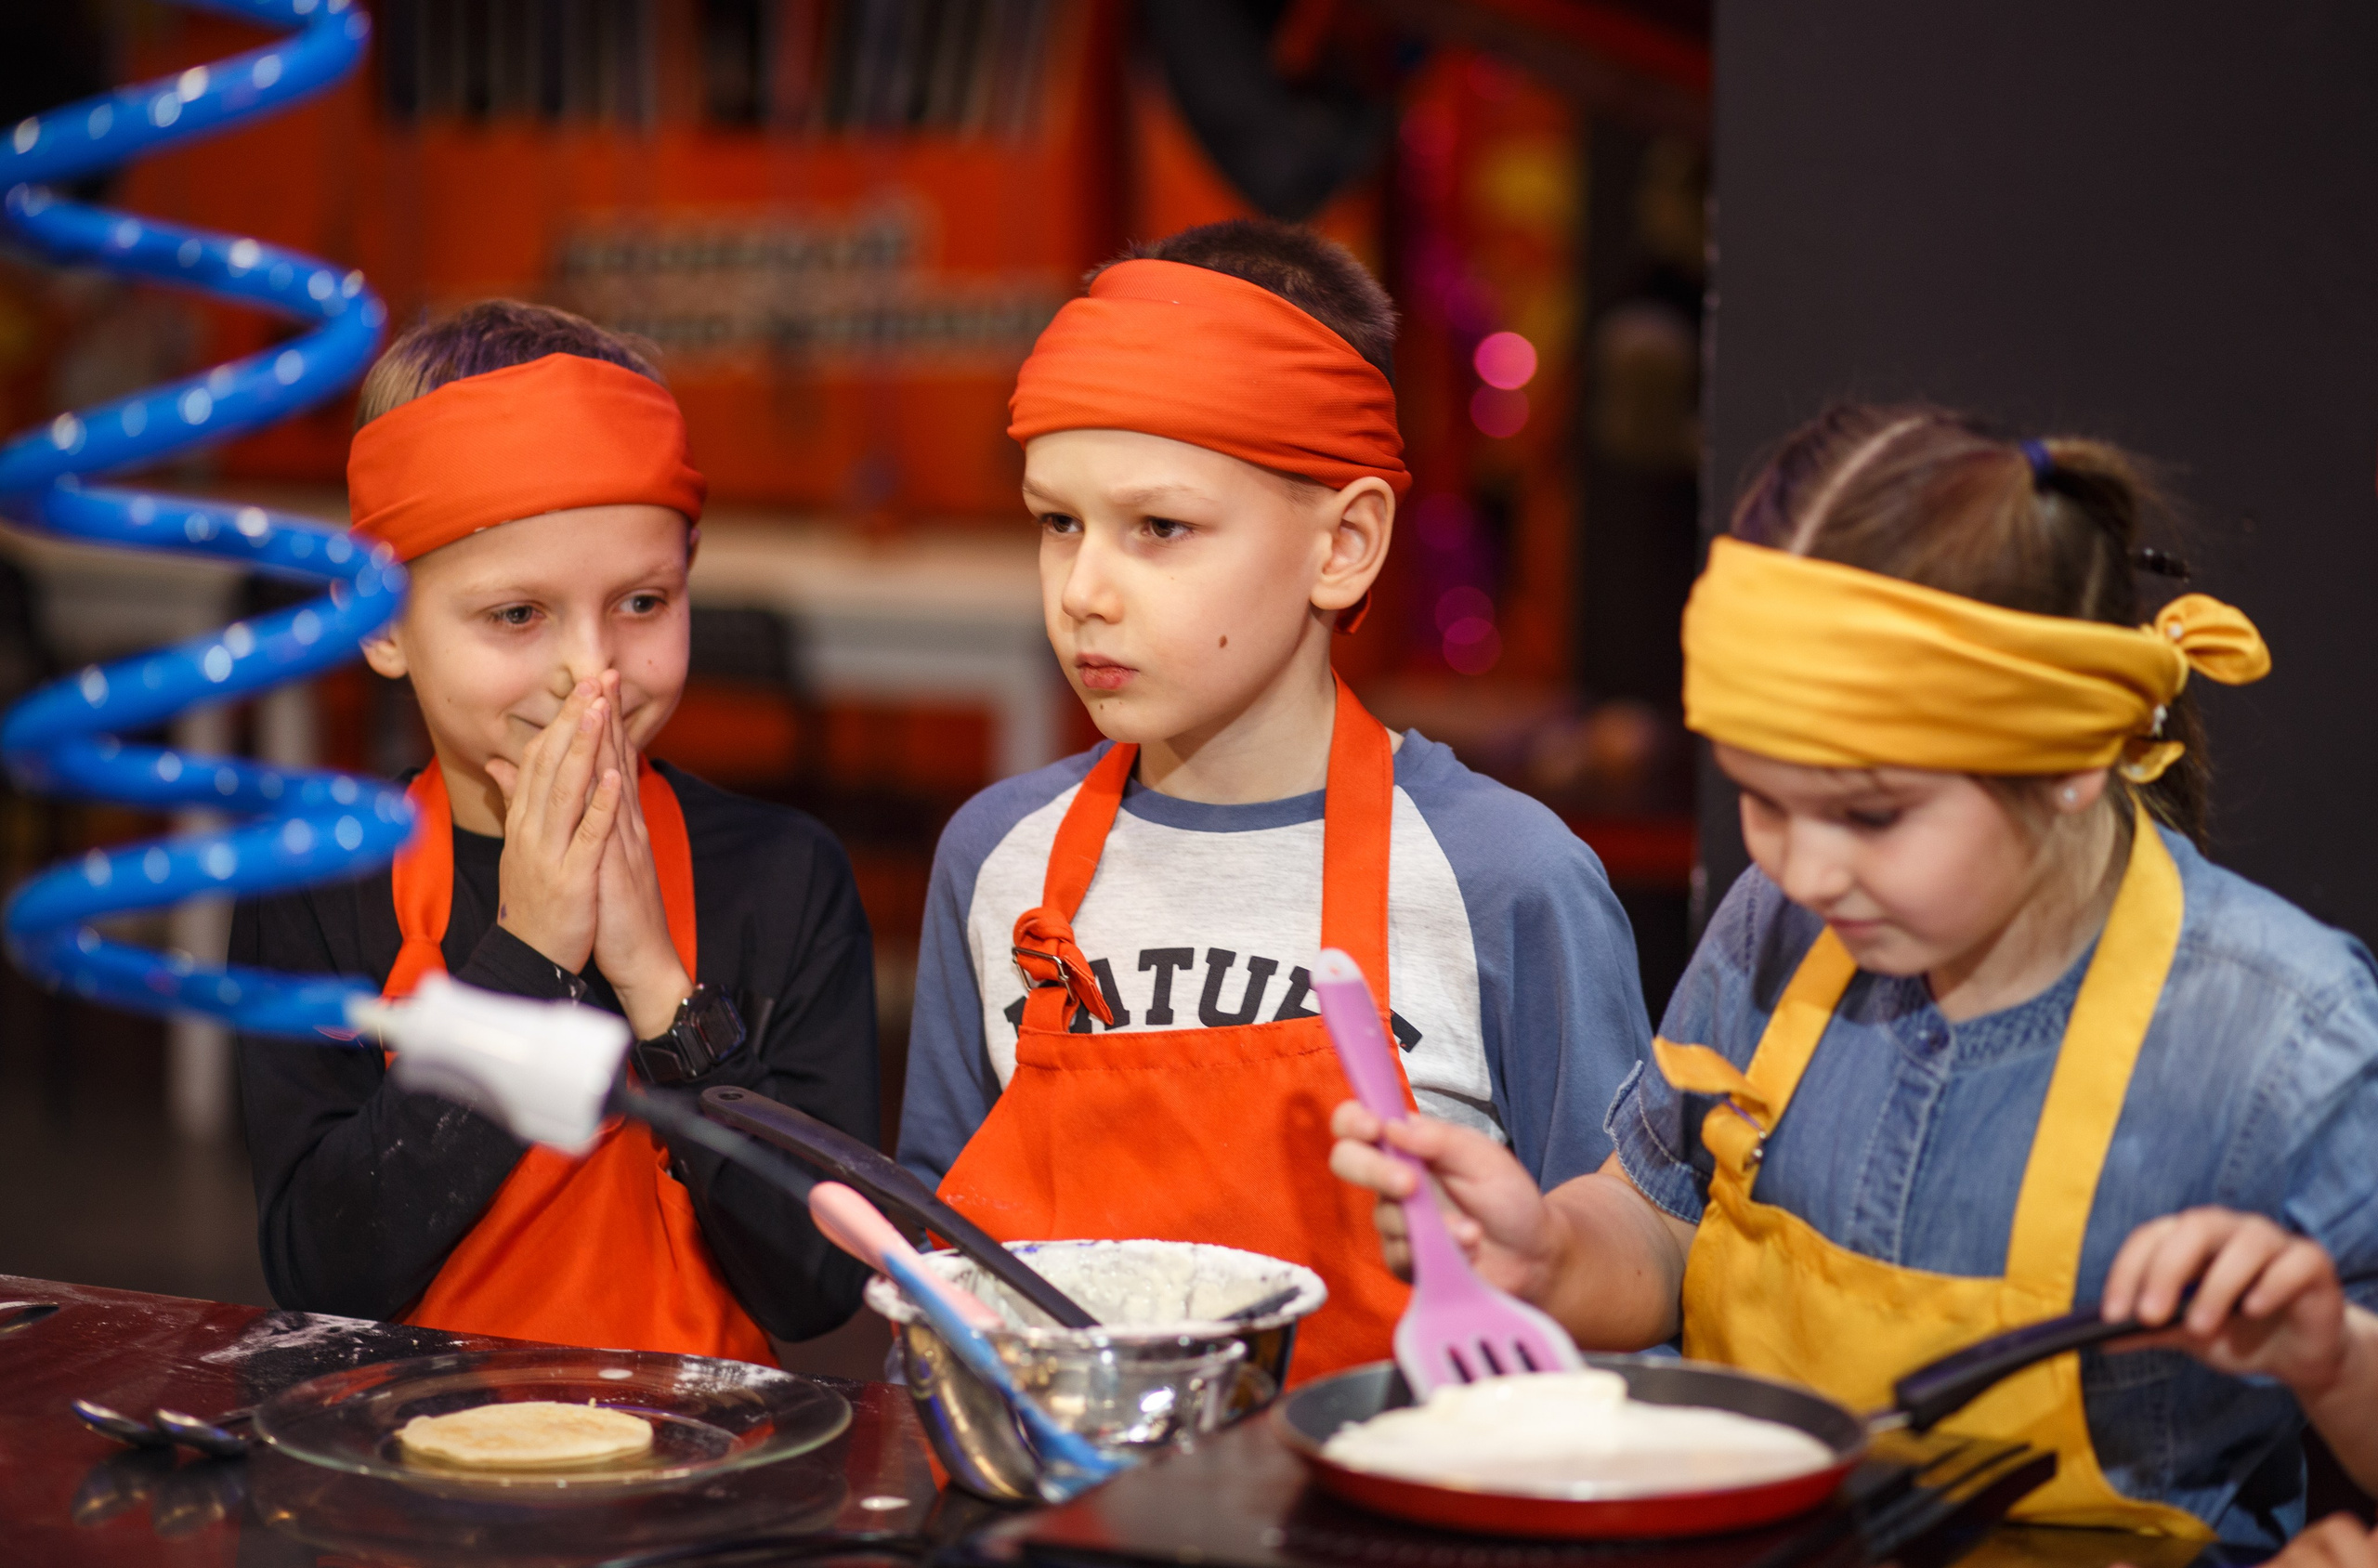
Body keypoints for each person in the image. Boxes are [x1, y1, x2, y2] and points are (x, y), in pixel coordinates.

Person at [1329, 405, 2378, 1543]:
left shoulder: (2285, 1034)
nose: (1805, 864)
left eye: (1871, 812)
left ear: (2072, 756)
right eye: (1761, 796)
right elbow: (1662, 1223)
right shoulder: (1772, 927)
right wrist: (1547, 1249)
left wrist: (2331, 1354)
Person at [897, 219, 1651, 1380]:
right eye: (1058, 523)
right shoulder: (996, 856)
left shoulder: (1506, 876)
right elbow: (936, 1279)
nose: (1085, 590)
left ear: (1344, 544)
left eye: (1160, 527)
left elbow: (1620, 1286)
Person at [233, 301, 878, 1360]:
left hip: (697, 1487)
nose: (594, 675)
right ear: (383, 622)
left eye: (640, 600)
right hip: (412, 1482)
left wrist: (661, 989)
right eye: (518, 615)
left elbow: (814, 1284)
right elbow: (326, 1271)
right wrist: (521, 959)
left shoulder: (783, 878)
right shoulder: (322, 887)